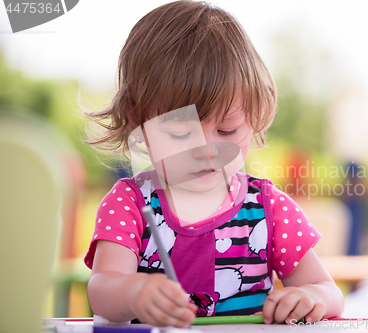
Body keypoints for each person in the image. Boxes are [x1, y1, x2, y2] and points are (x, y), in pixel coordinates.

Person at [84, 0, 344, 328]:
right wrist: (133, 292)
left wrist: (311, 298)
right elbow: (101, 288)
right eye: (181, 132)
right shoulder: (130, 204)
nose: (207, 151)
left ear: (252, 120)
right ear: (139, 124)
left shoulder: (268, 209)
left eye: (227, 130)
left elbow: (329, 291)